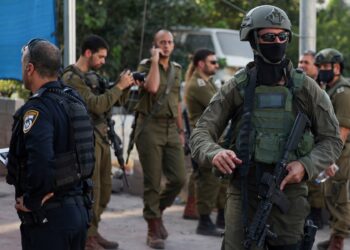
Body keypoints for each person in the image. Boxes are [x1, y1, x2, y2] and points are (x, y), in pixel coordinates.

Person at [190, 5, 343, 250]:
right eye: (269, 37)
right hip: (244, 191)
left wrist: (305, 166)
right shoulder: (237, 86)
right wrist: (214, 153)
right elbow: (200, 133)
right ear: (254, 40)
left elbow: (332, 140)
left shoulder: (306, 88)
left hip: (289, 193)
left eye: (282, 37)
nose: (277, 42)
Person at [6, 39, 94, 250]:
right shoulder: (74, 100)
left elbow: (42, 161)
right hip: (79, 213)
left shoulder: (38, 109)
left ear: (30, 68)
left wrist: (32, 200)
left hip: (50, 220)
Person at [61, 34, 134, 250]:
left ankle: (93, 231)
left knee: (105, 190)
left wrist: (126, 86)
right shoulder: (70, 78)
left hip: (101, 138)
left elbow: (110, 103)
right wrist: (119, 87)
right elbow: (96, 105)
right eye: (100, 57)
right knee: (91, 192)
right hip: (85, 141)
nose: (103, 61)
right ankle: (85, 237)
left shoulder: (93, 76)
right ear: (87, 53)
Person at [135, 29, 186, 249]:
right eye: (161, 43)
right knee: (153, 181)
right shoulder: (145, 66)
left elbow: (177, 103)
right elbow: (153, 88)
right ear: (154, 46)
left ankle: (157, 212)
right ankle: (152, 229)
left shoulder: (177, 69)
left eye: (169, 42)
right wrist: (155, 61)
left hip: (170, 128)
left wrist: (181, 131)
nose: (166, 46)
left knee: (179, 178)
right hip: (149, 127)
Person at [183, 48, 226, 236]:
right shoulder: (198, 85)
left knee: (221, 179)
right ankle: (204, 221)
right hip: (205, 138)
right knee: (207, 180)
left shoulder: (208, 82)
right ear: (201, 64)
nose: (216, 65)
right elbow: (220, 105)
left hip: (216, 137)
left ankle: (222, 217)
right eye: (212, 62)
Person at [314, 48, 350, 250]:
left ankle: (338, 240)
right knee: (330, 193)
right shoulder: (331, 89)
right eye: (320, 67)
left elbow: (343, 130)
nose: (321, 70)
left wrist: (330, 159)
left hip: (341, 153)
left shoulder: (343, 92)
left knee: (338, 195)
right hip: (334, 151)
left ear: (337, 68)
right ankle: (336, 234)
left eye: (325, 67)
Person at [298, 50, 325, 229]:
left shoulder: (321, 89)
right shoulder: (296, 86)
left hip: (317, 141)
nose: (301, 65)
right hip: (300, 141)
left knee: (316, 182)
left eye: (306, 62)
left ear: (316, 67)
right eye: (300, 62)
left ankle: (316, 217)